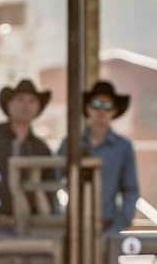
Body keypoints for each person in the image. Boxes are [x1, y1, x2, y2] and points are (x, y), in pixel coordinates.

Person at [58, 80, 139, 233]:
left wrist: (120, 224)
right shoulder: (70, 143)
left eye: (107, 106)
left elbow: (131, 189)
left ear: (114, 111)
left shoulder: (123, 147)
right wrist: (58, 217)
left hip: (108, 225)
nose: (101, 111)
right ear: (87, 109)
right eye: (96, 105)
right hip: (73, 225)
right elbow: (53, 179)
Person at [0, 79, 53, 228]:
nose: (25, 105)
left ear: (38, 108)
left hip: (28, 224)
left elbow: (48, 191)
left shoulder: (41, 148)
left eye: (32, 101)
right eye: (20, 99)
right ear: (8, 104)